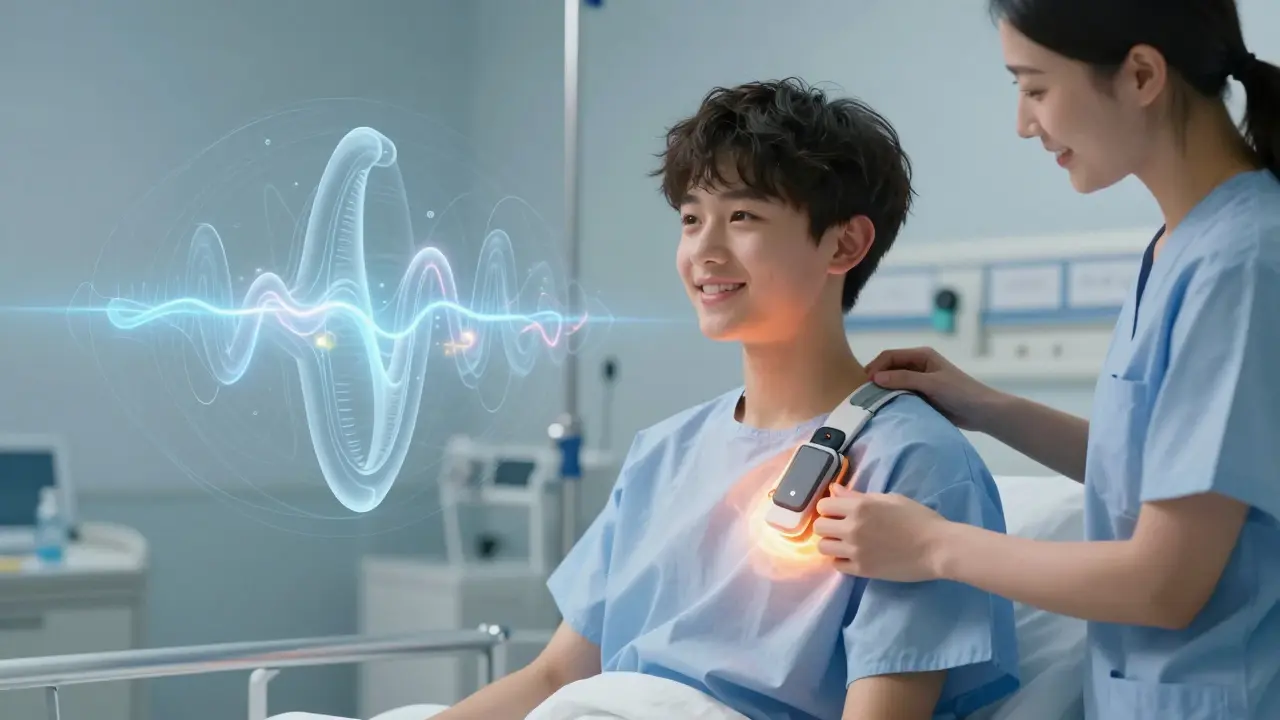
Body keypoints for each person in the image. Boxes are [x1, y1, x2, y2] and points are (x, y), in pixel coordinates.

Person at [432, 79, 1020, 720]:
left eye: (742, 217)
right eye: (691, 220)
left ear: (844, 244)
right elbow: (553, 676)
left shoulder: (914, 463)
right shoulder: (663, 453)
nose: (704, 252)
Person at [812, 1, 1280, 718]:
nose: (1024, 123)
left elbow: (1165, 583)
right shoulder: (1181, 247)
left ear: (1142, 75)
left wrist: (933, 546)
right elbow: (1156, 474)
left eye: (1034, 87)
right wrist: (990, 408)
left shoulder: (1240, 263)